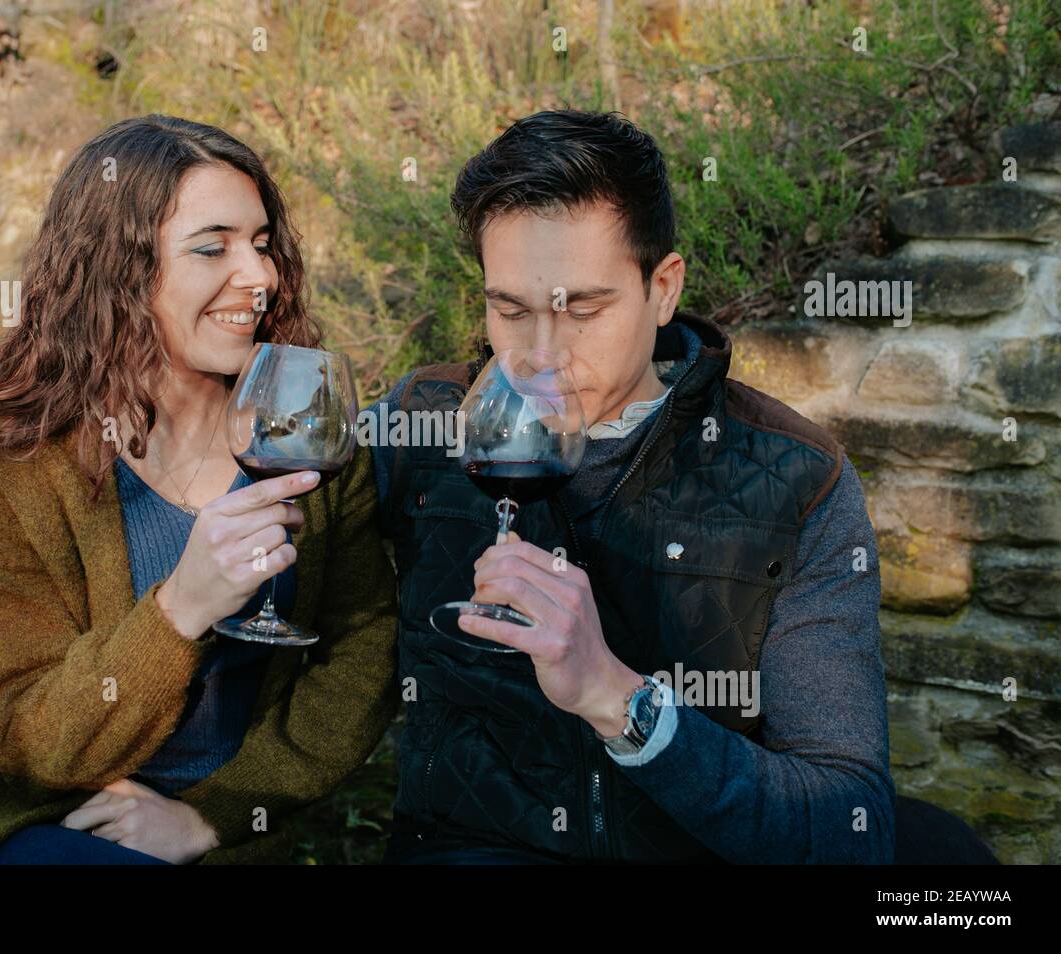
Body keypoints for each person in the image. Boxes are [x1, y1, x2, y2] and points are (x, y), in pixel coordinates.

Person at [370, 109, 997, 864]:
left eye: (585, 309)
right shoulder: (422, 424)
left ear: (663, 288)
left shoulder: (797, 477)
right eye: (510, 308)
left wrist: (617, 698)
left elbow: (847, 826)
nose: (540, 354)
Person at [0, 115, 399, 865]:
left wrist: (213, 816)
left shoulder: (304, 428)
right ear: (118, 268)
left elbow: (364, 650)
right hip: (50, 820)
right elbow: (25, 730)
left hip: (224, 838)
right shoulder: (17, 457)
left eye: (262, 244)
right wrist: (183, 608)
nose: (260, 276)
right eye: (213, 248)